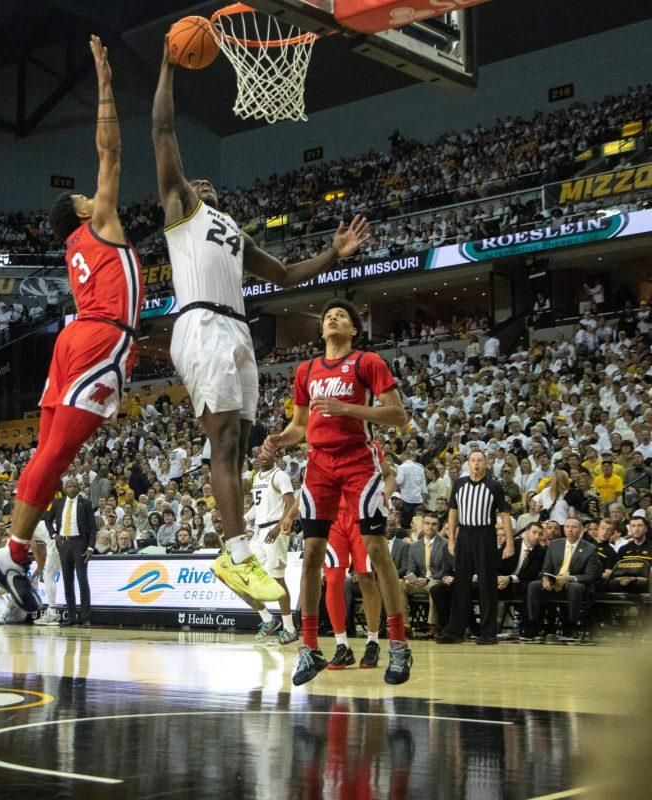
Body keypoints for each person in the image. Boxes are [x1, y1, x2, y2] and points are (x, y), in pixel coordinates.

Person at [152, 33, 368, 608]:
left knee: (240, 444)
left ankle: (236, 546)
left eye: (208, 185)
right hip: (201, 324)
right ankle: (237, 552)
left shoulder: (232, 232)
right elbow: (164, 133)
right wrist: (168, 68)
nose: (202, 185)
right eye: (195, 183)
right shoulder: (180, 211)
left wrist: (333, 254)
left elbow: (288, 276)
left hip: (238, 330)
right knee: (223, 440)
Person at [0, 37, 144, 613]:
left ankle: (14, 553)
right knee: (57, 455)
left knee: (48, 452)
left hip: (75, 339)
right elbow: (112, 151)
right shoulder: (99, 221)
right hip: (102, 337)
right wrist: (104, 80)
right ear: (82, 210)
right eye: (85, 195)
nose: (94, 193)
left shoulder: (76, 244)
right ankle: (13, 552)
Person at [262, 300, 412, 686]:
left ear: (353, 331)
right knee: (311, 553)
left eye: (341, 315)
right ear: (321, 329)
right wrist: (280, 439)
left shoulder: (368, 362)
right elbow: (299, 425)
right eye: (328, 315)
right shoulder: (305, 370)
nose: (332, 318)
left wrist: (347, 409)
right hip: (319, 465)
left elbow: (398, 416)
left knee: (376, 550)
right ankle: (309, 648)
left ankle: (398, 644)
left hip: (358, 462)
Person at [323, 443, 395, 670]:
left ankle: (373, 640)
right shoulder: (324, 442)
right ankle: (341, 645)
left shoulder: (369, 444)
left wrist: (384, 497)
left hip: (361, 515)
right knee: (333, 580)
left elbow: (389, 474)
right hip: (333, 519)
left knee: (366, 577)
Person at [435, 451, 514, 645]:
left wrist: (510, 542)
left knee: (487, 584)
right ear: (467, 464)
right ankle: (455, 631)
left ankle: (488, 633)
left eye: (480, 460)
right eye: (473, 460)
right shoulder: (459, 484)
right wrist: (452, 540)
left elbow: (504, 514)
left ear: (486, 464)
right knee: (461, 584)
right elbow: (452, 513)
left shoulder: (494, 485)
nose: (476, 464)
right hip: (465, 535)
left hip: (485, 535)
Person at [244, 447, 298, 645]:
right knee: (244, 573)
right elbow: (258, 506)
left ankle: (290, 629)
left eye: (266, 454)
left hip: (275, 531)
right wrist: (245, 518)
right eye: (259, 454)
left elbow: (291, 505)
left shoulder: (280, 475)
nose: (262, 457)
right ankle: (268, 619)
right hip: (259, 532)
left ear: (274, 455)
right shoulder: (256, 477)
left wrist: (279, 527)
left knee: (278, 580)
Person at [523, 517, 602, 643]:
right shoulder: (554, 544)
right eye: (567, 526)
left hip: (575, 585)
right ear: (564, 528)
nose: (570, 530)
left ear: (581, 530)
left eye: (574, 527)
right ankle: (533, 625)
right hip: (554, 583)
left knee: (574, 587)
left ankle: (571, 626)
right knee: (533, 585)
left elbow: (591, 576)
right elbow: (546, 568)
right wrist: (545, 579)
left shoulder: (590, 548)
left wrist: (571, 578)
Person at [49, 480, 96, 627]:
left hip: (80, 543)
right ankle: (71, 617)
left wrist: (90, 548)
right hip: (64, 543)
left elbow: (93, 527)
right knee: (67, 580)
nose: (72, 488)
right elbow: (47, 520)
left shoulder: (86, 503)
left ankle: (85, 617)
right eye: (69, 486)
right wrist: (54, 534)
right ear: (64, 489)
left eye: (75, 486)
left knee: (82, 580)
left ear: (79, 488)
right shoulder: (57, 503)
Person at [31, 518, 62, 626]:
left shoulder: (26, 532)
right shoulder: (36, 526)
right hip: (62, 541)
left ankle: (52, 613)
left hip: (55, 542)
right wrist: (39, 573)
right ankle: (53, 612)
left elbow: (40, 560)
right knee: (50, 575)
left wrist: (38, 574)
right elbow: (41, 562)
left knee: (48, 576)